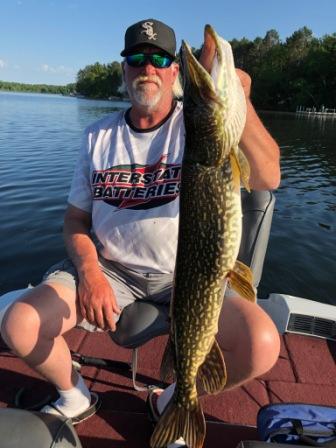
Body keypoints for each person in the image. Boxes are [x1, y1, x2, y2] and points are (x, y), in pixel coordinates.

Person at [1, 18, 281, 447]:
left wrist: (238, 99)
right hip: (110, 269)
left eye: (159, 60)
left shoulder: (197, 125)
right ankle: (74, 394)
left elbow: (267, 174)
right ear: (124, 71)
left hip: (188, 275)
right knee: (19, 323)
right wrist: (91, 272)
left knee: (263, 343)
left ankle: (174, 397)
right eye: (136, 59)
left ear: (172, 73)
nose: (146, 68)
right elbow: (75, 220)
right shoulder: (98, 136)